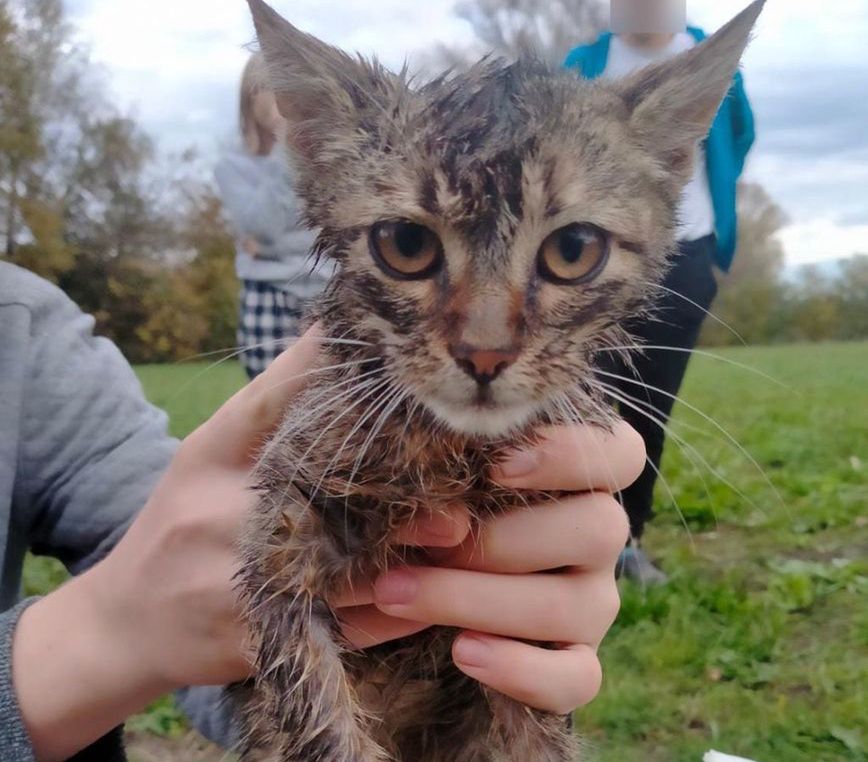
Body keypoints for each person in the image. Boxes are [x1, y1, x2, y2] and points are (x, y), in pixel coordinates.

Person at [0, 260, 644, 761]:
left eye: (570, 250)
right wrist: (109, 632)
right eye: (409, 245)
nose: (486, 339)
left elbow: (171, 540)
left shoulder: (25, 328)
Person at [564, 2, 755, 583]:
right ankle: (568, 543)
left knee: (652, 407)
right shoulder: (584, 63)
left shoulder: (715, 63)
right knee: (579, 405)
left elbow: (738, 137)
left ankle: (629, 541)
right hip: (587, 265)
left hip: (686, 252)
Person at [214, 54, 328, 380]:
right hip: (267, 294)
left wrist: (269, 249)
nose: (283, 99)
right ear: (250, 99)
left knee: (331, 400)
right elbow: (262, 225)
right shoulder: (232, 167)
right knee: (267, 402)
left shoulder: (321, 161)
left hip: (325, 289)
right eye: (271, 88)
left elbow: (330, 228)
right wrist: (287, 145)